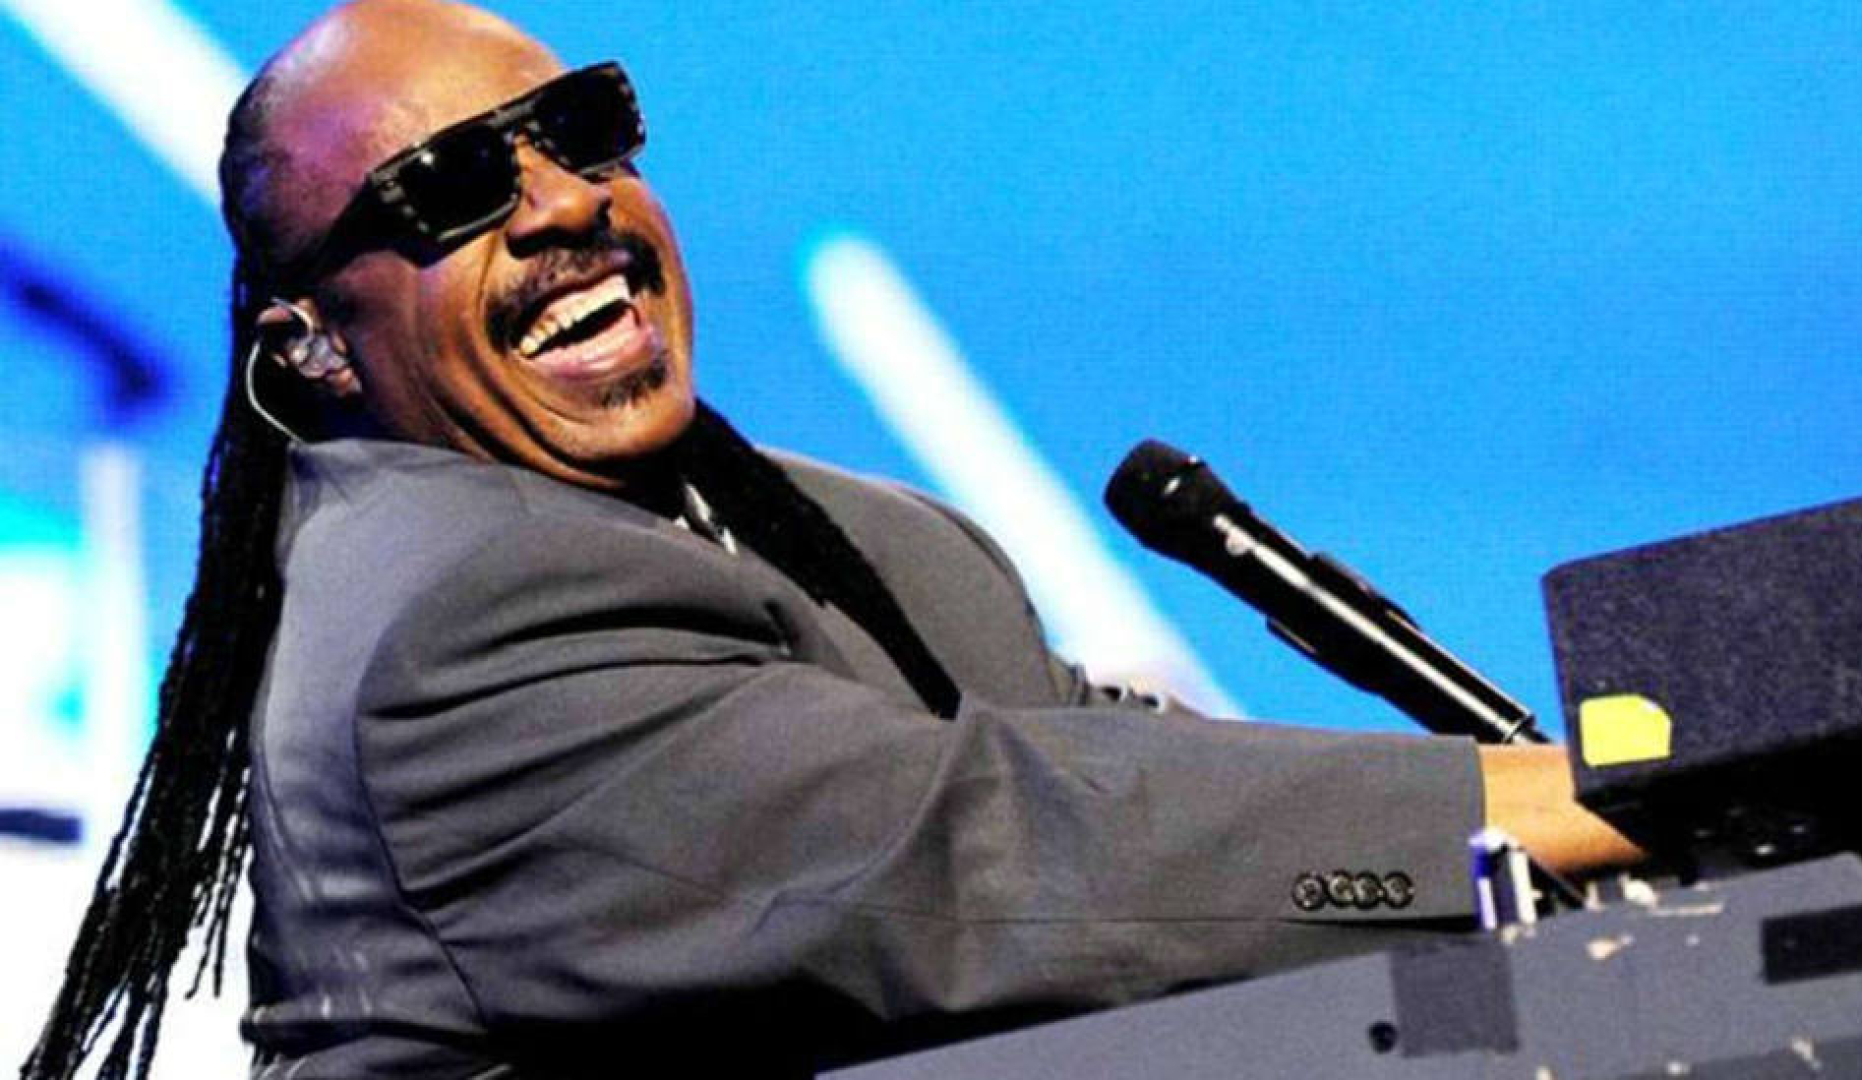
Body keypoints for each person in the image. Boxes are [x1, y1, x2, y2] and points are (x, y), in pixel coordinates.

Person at [23, 2, 1638, 1077]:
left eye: (580, 128)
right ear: (312, 345)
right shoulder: (446, 628)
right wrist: (1606, 797)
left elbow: (1128, 780)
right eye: (449, 190)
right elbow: (997, 858)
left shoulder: (863, 536)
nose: (564, 204)